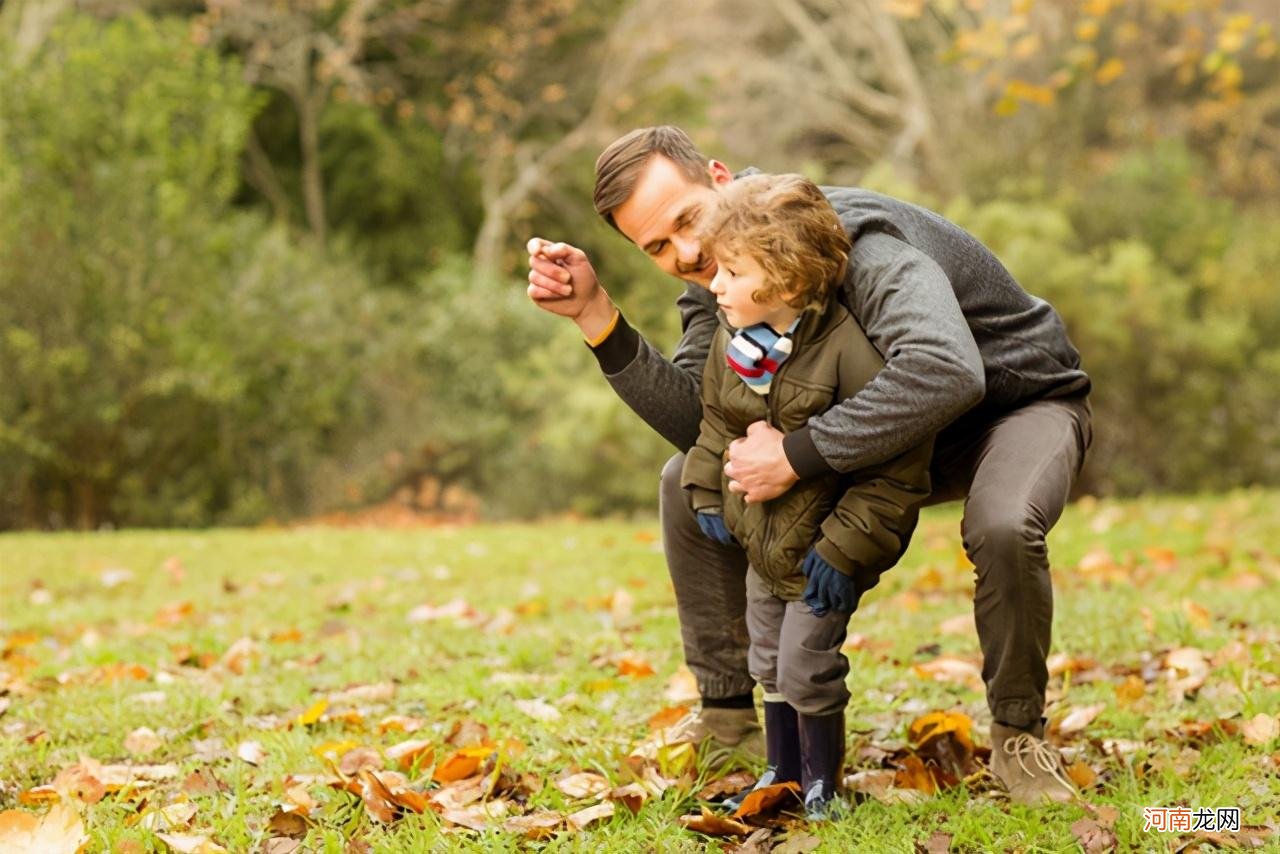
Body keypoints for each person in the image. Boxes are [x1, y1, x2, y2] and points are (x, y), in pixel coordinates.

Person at [525, 126, 1092, 805]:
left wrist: (795, 455)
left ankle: (1018, 737)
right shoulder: (722, 278)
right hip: (885, 433)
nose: (686, 253)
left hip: (1009, 409)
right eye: (656, 248)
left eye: (686, 221)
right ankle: (731, 720)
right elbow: (705, 427)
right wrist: (596, 317)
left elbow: (947, 370)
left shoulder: (854, 240)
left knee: (1001, 522)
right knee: (688, 482)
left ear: (721, 177)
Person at [681, 173, 932, 817]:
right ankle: (781, 771)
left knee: (806, 666)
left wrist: (844, 552)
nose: (715, 284)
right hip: (761, 539)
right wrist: (709, 492)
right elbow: (716, 422)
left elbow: (894, 468)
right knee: (767, 661)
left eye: (731, 271)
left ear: (787, 282)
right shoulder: (730, 339)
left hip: (823, 549)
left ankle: (825, 783)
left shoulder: (849, 349)